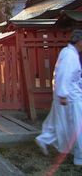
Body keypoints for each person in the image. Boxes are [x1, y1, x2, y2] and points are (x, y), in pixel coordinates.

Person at [35, 29, 82, 165]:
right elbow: (64, 75)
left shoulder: (69, 53)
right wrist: (62, 94)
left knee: (60, 122)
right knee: (76, 125)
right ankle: (79, 156)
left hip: (68, 94)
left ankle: (44, 139)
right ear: (79, 41)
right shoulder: (69, 55)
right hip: (70, 96)